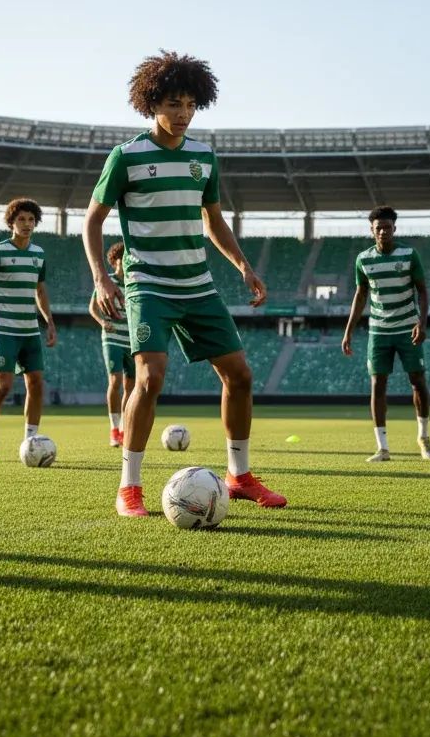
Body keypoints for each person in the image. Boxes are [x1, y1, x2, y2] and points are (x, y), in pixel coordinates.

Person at [82, 50, 286, 517]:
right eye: (173, 103)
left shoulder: (203, 156)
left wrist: (243, 266)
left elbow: (213, 220)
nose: (182, 113)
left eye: (190, 104)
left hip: (198, 283)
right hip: (148, 283)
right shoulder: (126, 157)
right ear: (152, 102)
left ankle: (239, 476)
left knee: (240, 375)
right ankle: (129, 487)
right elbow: (92, 221)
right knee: (150, 378)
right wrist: (100, 277)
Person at [341, 206, 430, 462]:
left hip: (408, 328)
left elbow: (423, 291)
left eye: (387, 227)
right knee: (377, 385)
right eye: (378, 228)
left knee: (417, 382)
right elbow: (360, 295)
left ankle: (424, 437)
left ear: (395, 229)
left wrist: (422, 324)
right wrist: (348, 331)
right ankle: (382, 447)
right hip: (379, 330)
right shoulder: (363, 259)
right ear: (371, 230)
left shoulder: (408, 255)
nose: (383, 231)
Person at [0, 197, 57, 462]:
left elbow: (40, 290)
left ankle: (30, 440)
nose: (27, 224)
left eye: (31, 219)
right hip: (3, 328)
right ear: (12, 222)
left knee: (36, 383)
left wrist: (49, 322)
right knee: (4, 386)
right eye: (21, 219)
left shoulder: (39, 254)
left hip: (30, 330)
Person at [88, 241, 133, 448]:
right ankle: (114, 429)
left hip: (132, 341)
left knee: (131, 388)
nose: (127, 262)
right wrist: (103, 322)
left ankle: (125, 428)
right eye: (123, 258)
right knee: (115, 382)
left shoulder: (134, 283)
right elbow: (92, 308)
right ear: (115, 261)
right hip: (113, 337)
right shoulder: (108, 281)